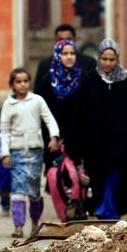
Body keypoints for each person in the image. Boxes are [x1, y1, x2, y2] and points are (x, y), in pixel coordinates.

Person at [77, 39, 127, 219]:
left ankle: (108, 209)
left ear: (117, 59)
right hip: (97, 143)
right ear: (98, 58)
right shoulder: (90, 81)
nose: (108, 63)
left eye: (112, 60)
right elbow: (82, 113)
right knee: (100, 176)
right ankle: (104, 208)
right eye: (104, 59)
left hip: (122, 142)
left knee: (116, 173)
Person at [0, 68, 61, 239]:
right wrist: (5, 153)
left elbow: (49, 118)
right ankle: (18, 226)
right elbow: (4, 131)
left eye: (25, 81)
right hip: (17, 152)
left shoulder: (37, 100)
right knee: (18, 190)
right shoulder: (8, 105)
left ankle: (35, 222)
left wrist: (54, 137)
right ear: (12, 85)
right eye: (18, 82)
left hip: (35, 151)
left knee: (34, 191)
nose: (23, 84)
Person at [36, 39, 85, 169]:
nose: (69, 57)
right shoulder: (47, 81)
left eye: (72, 53)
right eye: (64, 54)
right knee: (55, 180)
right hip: (54, 139)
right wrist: (53, 137)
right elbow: (43, 111)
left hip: (78, 138)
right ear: (58, 55)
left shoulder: (83, 79)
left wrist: (70, 137)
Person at [33, 24, 96, 96]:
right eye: (60, 40)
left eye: (68, 39)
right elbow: (38, 93)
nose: (64, 43)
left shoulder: (89, 63)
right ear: (55, 41)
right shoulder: (46, 64)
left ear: (75, 40)